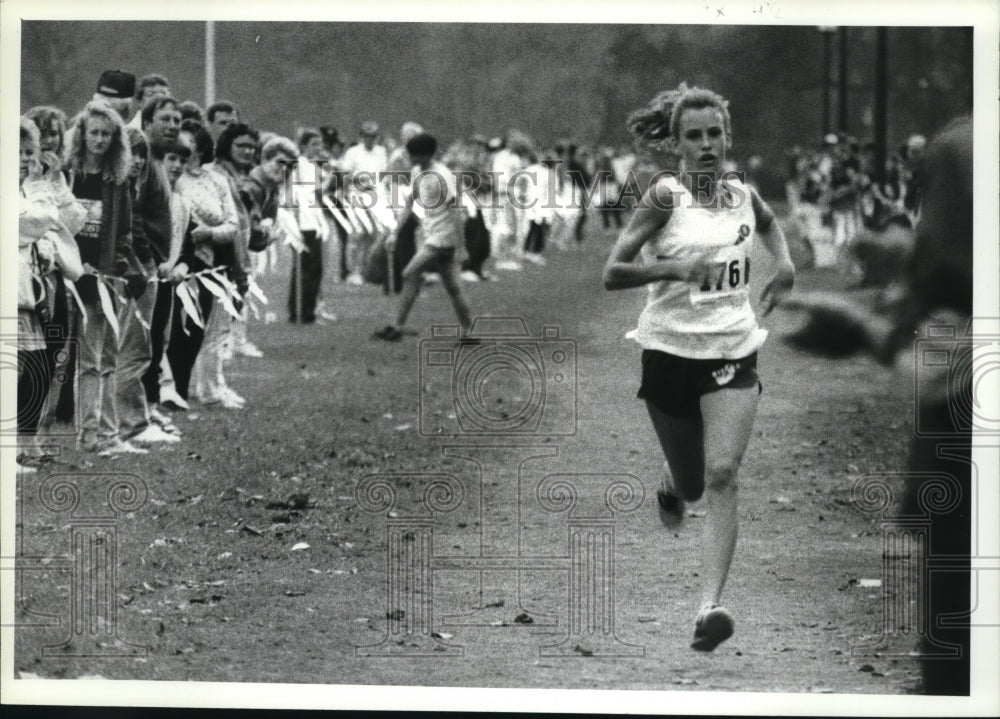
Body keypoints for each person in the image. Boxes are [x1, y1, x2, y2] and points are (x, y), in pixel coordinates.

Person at [603, 84, 795, 652]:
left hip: (732, 350)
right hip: (668, 353)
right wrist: (674, 268)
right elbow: (613, 272)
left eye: (715, 133)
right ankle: (671, 481)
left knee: (723, 474)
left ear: (727, 137)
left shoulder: (742, 195)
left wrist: (784, 266)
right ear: (677, 144)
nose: (707, 144)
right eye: (694, 136)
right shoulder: (664, 198)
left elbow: (769, 224)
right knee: (690, 484)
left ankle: (708, 606)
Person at [64, 100, 146, 455]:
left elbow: (124, 232)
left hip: (105, 276)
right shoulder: (67, 174)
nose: (99, 140)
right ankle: (85, 435)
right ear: (82, 134)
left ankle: (107, 433)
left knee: (105, 357)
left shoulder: (117, 180)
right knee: (80, 361)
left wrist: (119, 266)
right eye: (94, 133)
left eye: (107, 135)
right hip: (68, 273)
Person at [17, 117, 84, 471]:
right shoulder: (24, 190)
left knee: (39, 365)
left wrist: (52, 182)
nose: (26, 159)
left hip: (34, 291)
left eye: (29, 152)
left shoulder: (30, 188)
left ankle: (25, 442)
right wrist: (39, 188)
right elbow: (36, 221)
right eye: (17, 152)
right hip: (14, 293)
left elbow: (67, 222)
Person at [373, 132, 473, 342]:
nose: (410, 158)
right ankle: (470, 332)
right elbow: (409, 203)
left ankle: (397, 327)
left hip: (443, 238)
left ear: (426, 155)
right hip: (432, 234)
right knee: (454, 288)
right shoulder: (418, 172)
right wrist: (395, 232)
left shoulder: (443, 176)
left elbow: (457, 211)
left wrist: (461, 246)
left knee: (410, 273)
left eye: (413, 155)